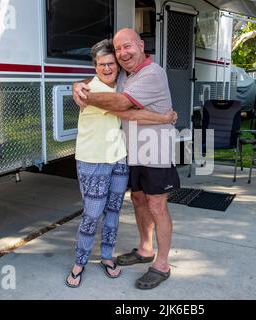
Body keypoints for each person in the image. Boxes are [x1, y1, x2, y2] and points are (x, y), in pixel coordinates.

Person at [73, 28, 180, 290]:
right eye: (118, 49)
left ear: (141, 45)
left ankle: (162, 264)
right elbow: (105, 82)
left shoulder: (153, 73)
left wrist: (84, 96)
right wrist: (78, 85)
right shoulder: (126, 76)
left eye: (127, 47)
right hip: (133, 152)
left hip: (155, 151)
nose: (122, 54)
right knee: (139, 200)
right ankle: (145, 249)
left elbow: (123, 108)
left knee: (157, 205)